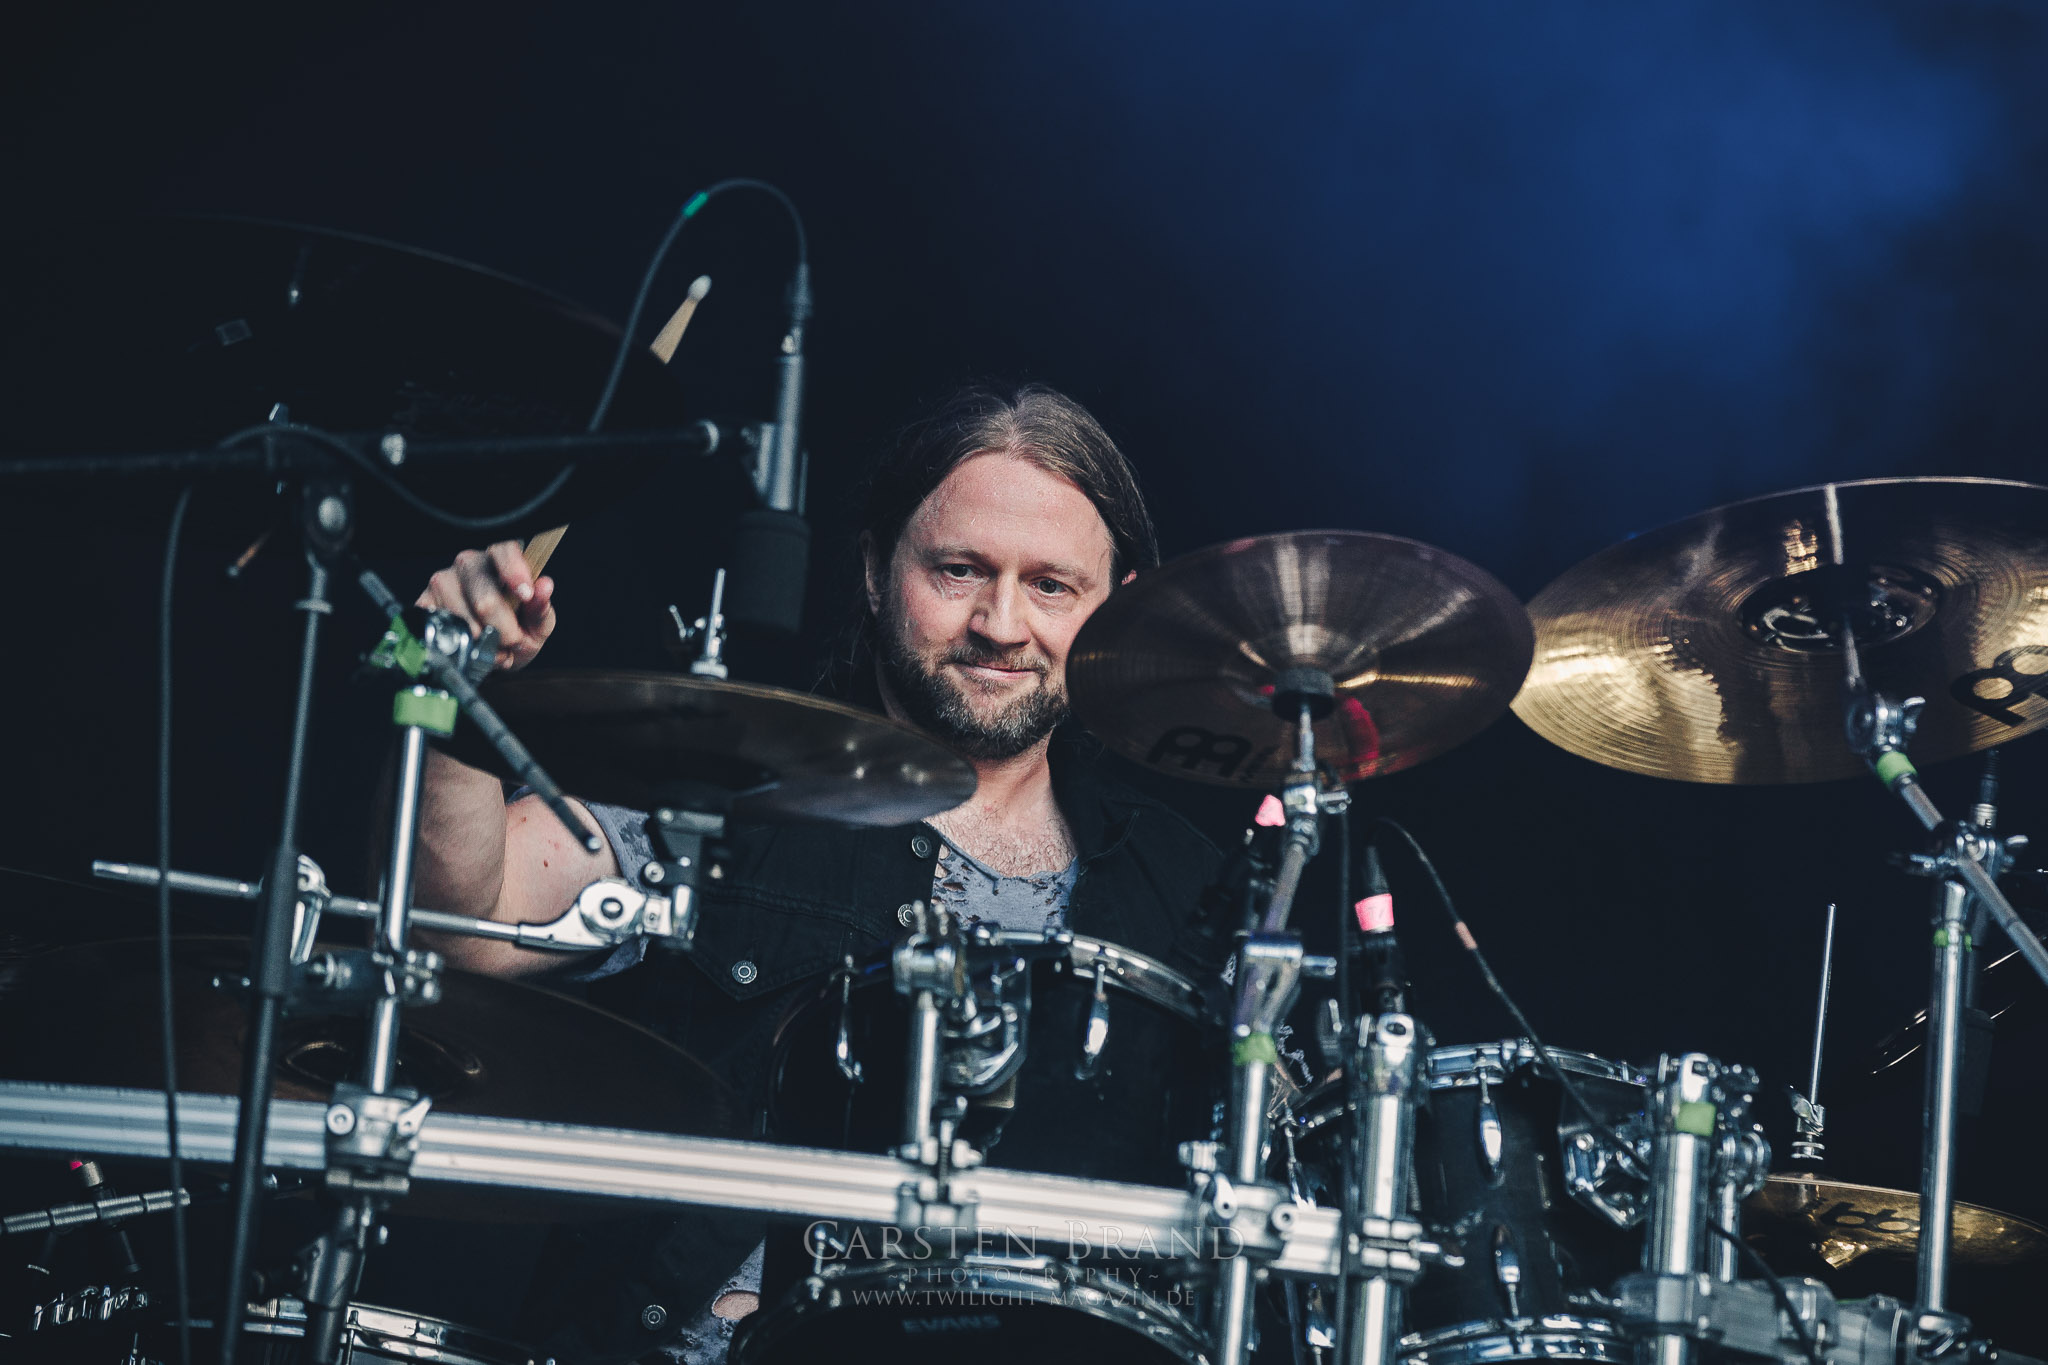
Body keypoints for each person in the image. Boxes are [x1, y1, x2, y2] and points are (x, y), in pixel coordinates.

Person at [409, 383, 1229, 1361]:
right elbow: (460, 928)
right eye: (959, 570)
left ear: (1115, 608)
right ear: (877, 571)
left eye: (1051, 585)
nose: (1001, 623)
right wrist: (448, 689)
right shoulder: (721, 781)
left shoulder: (1190, 889)